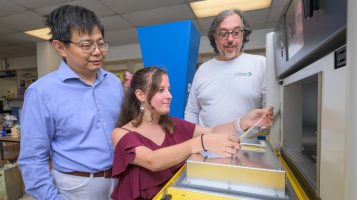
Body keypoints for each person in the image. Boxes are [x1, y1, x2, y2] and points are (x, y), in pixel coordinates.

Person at [110, 67, 272, 200]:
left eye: (169, 89)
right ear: (140, 95)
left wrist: (243, 122)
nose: (169, 96)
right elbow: (153, 161)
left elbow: (212, 131)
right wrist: (200, 142)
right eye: (161, 90)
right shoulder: (121, 134)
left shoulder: (172, 124)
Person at [17, 5, 123, 200]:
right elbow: (33, 159)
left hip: (119, 180)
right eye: (86, 45)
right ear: (60, 47)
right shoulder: (41, 93)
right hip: (76, 187)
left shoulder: (114, 83)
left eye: (101, 43)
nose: (98, 51)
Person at [185, 9, 267, 134]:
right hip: (207, 149)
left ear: (243, 34)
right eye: (223, 33)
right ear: (215, 37)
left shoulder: (261, 64)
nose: (230, 39)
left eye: (236, 32)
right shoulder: (203, 70)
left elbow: (268, 110)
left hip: (248, 149)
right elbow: (192, 111)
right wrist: (193, 144)